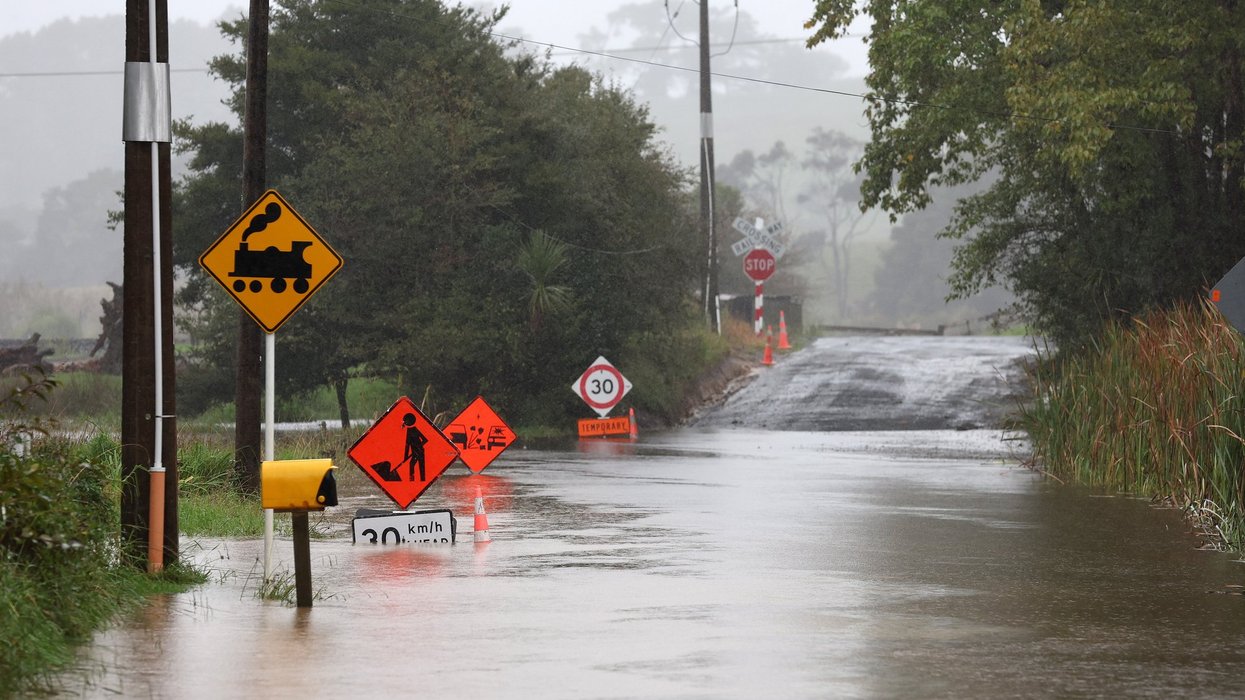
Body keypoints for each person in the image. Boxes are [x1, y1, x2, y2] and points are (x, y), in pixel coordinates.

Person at [402, 412, 428, 481]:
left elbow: (425, 440)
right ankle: (412, 480)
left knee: (421, 467)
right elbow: (407, 445)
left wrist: (419, 446)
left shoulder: (415, 429)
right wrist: (405, 457)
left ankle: (422, 480)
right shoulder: (408, 431)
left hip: (420, 451)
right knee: (411, 465)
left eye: (407, 420)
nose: (405, 422)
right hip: (414, 452)